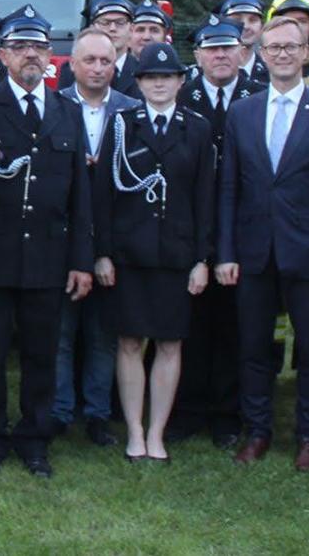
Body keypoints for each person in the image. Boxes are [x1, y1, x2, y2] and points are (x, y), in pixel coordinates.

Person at [214, 15, 309, 472]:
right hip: (253, 253)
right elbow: (229, 188)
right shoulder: (243, 112)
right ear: (263, 53)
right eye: (274, 48)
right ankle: (257, 431)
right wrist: (227, 253)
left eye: (292, 47)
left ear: (307, 51)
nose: (283, 55)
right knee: (253, 348)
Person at [0, 6, 94, 478]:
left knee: (42, 353)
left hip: (48, 253)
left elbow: (81, 192)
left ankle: (36, 439)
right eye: (20, 47)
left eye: (39, 47)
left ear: (51, 55)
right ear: (2, 55)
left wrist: (81, 259)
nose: (31, 56)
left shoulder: (68, 111)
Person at [93, 41, 214, 462]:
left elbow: (205, 197)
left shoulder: (197, 128)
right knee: (128, 342)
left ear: (181, 81)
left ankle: (157, 432)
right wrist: (103, 252)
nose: (159, 83)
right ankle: (133, 432)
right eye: (150, 77)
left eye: (167, 77)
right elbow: (103, 193)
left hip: (177, 256)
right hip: (130, 254)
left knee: (170, 344)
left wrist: (202, 259)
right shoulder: (122, 124)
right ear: (139, 82)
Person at [172, 15, 263, 447]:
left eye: (228, 47)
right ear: (198, 56)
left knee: (232, 324)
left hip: (242, 227)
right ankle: (189, 409)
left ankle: (227, 413)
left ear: (243, 53)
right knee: (190, 323)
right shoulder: (181, 96)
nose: (221, 55)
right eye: (212, 48)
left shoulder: (257, 98)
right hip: (190, 225)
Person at [51, 28, 138, 447]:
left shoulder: (132, 109)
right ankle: (60, 411)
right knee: (62, 334)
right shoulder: (53, 106)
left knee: (104, 335)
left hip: (113, 240)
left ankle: (98, 414)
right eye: (90, 60)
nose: (99, 68)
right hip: (63, 239)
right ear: (74, 65)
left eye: (107, 61)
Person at [54, 0, 138, 96]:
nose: (112, 28)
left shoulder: (143, 70)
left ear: (131, 29)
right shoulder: (72, 70)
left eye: (120, 22)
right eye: (105, 22)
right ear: (92, 27)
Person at [216, 0, 269, 83]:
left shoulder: (273, 75)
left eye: (253, 20)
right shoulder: (204, 75)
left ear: (261, 27)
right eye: (237, 20)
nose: (246, 26)